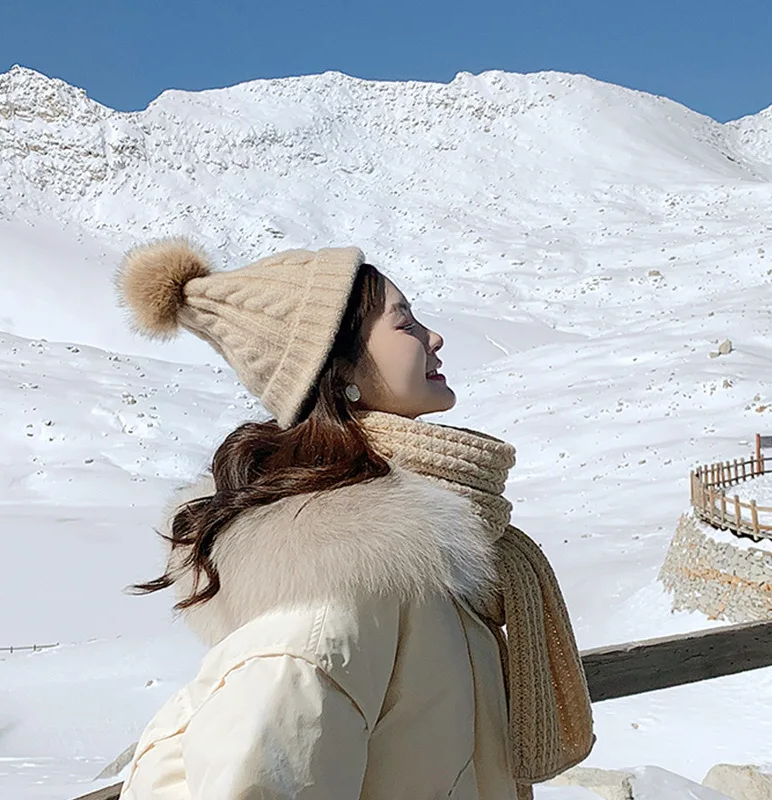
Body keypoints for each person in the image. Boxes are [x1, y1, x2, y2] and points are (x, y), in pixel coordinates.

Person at [113, 238, 595, 800]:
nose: (433, 337)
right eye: (404, 323)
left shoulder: (417, 554)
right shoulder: (342, 572)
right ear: (338, 369)